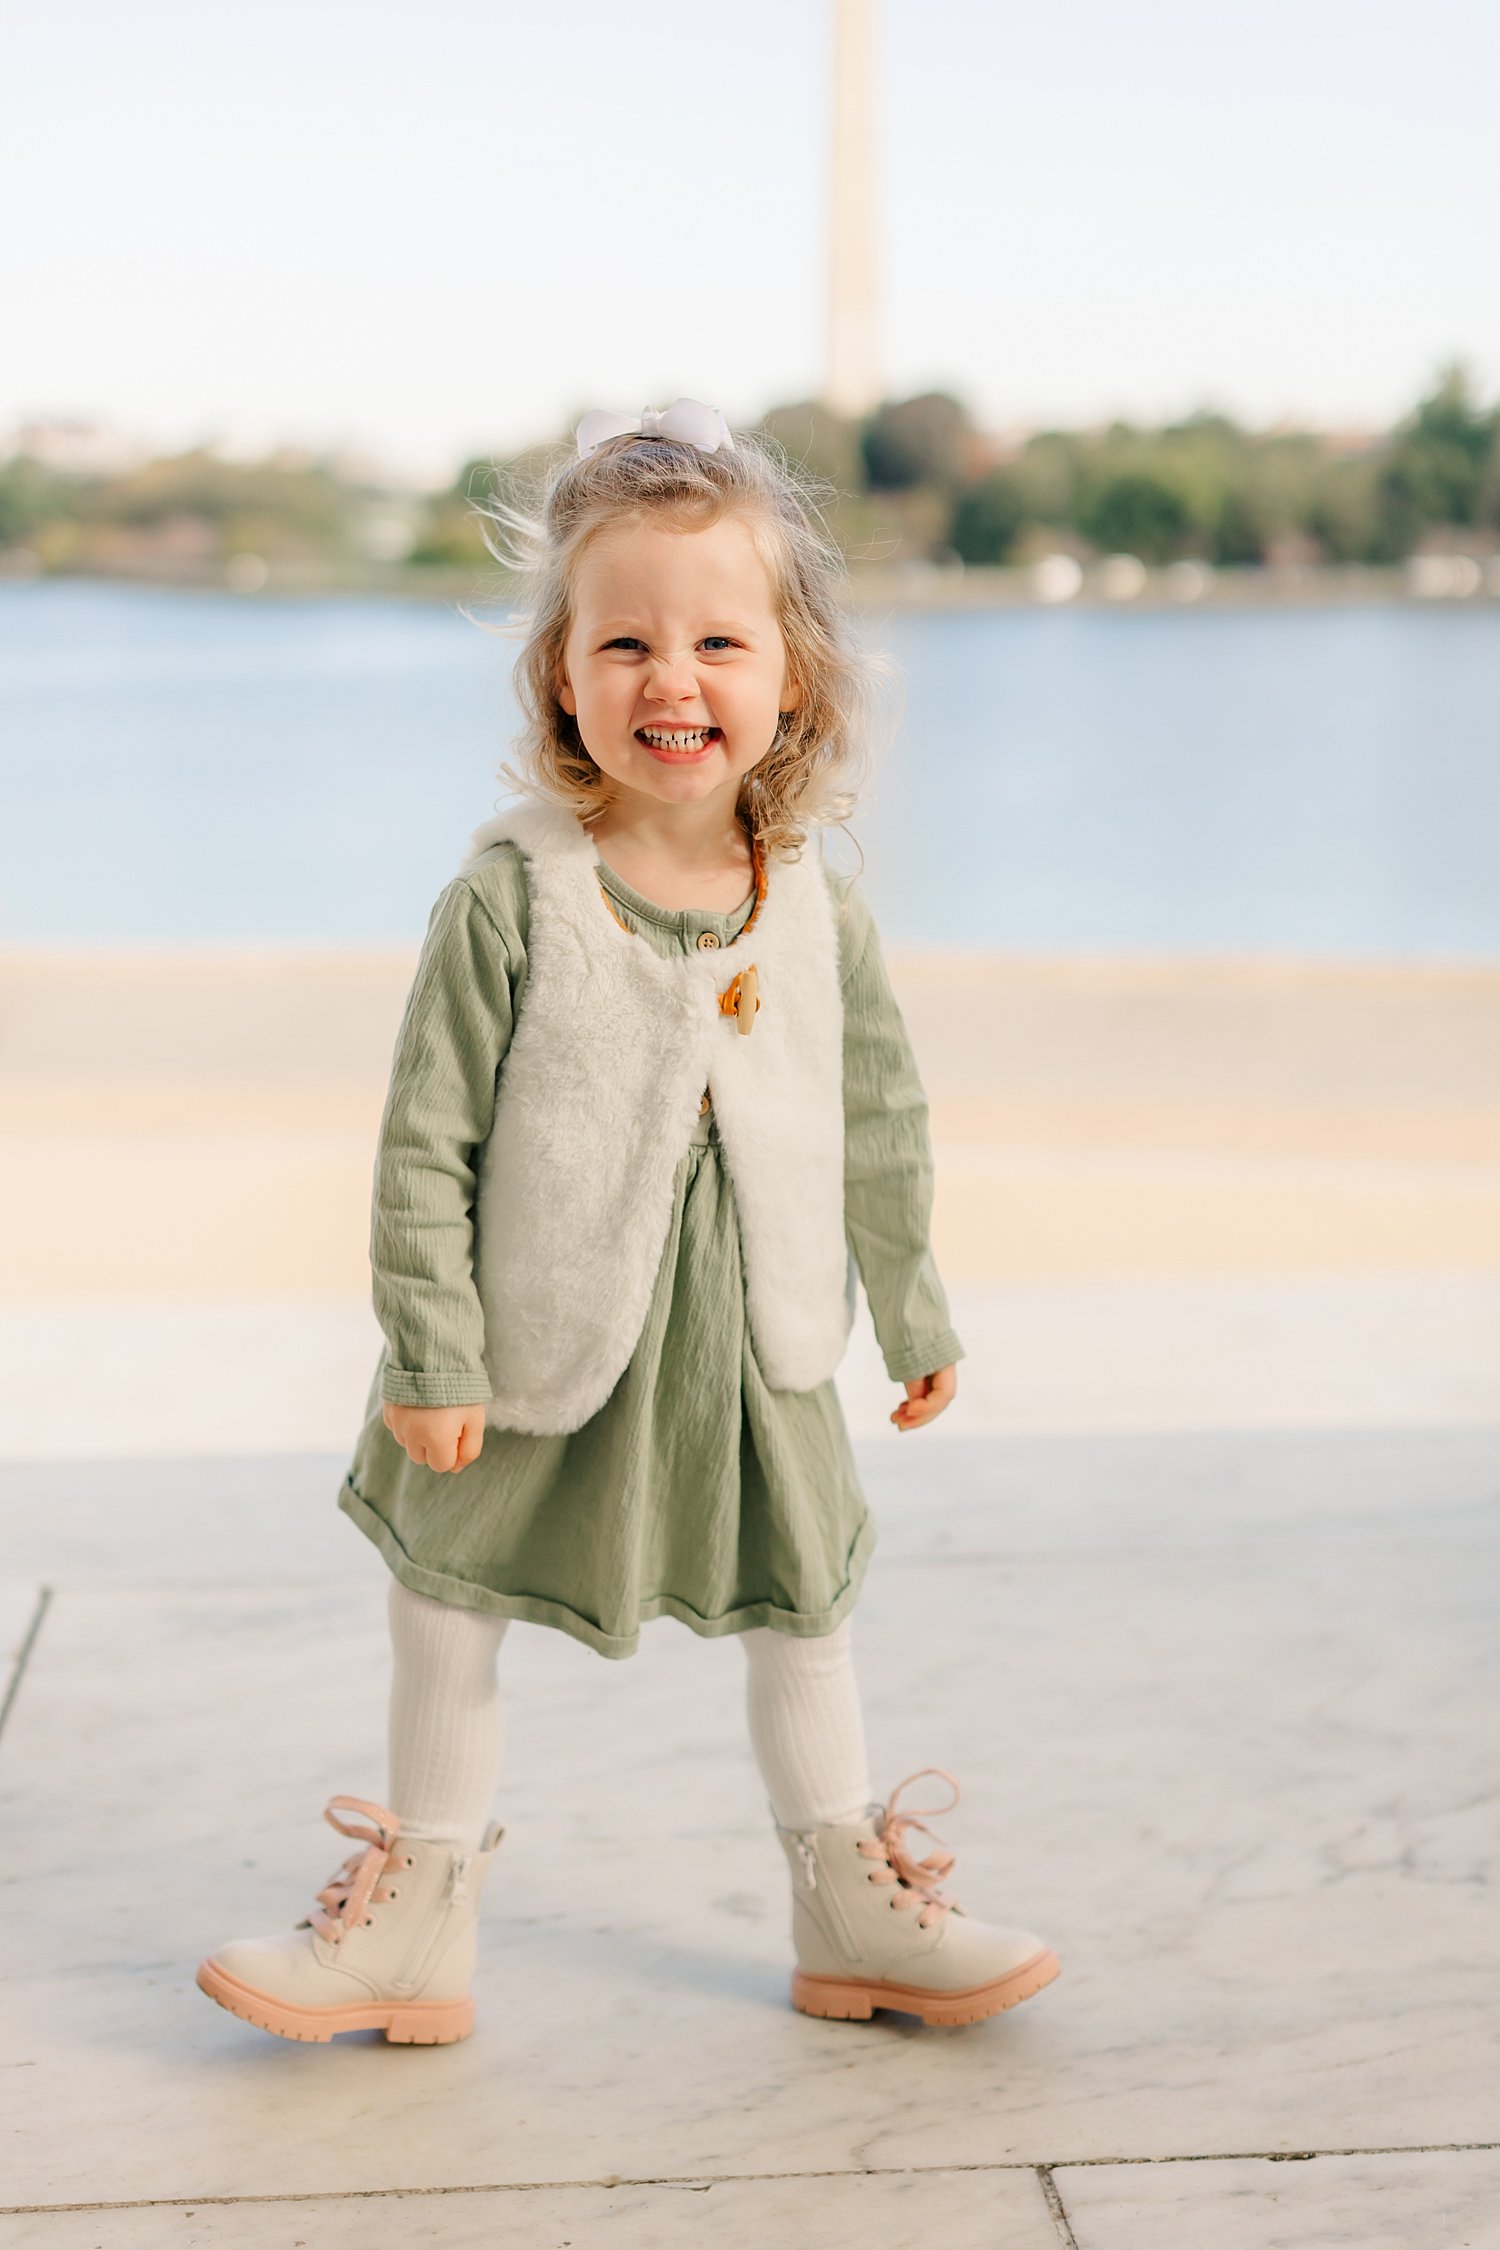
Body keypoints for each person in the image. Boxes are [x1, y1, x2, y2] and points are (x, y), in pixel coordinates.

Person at [195, 397, 1060, 2045]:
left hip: (761, 1337)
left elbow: (879, 1114)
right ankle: (416, 1920)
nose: (675, 678)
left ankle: (852, 1904)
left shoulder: (812, 900)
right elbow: (424, 1138)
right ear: (562, 679)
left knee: (809, 1608)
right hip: (540, 1328)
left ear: (791, 676)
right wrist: (430, 1347)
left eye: (721, 640)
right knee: (447, 1598)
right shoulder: (509, 895)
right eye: (627, 644)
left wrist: (917, 1304)